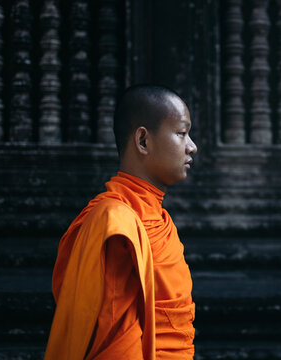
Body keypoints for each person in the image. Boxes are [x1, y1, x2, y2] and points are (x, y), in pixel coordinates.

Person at [44, 84, 198, 360]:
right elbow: (114, 337)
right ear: (143, 142)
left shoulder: (159, 219)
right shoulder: (114, 223)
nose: (192, 147)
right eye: (182, 133)